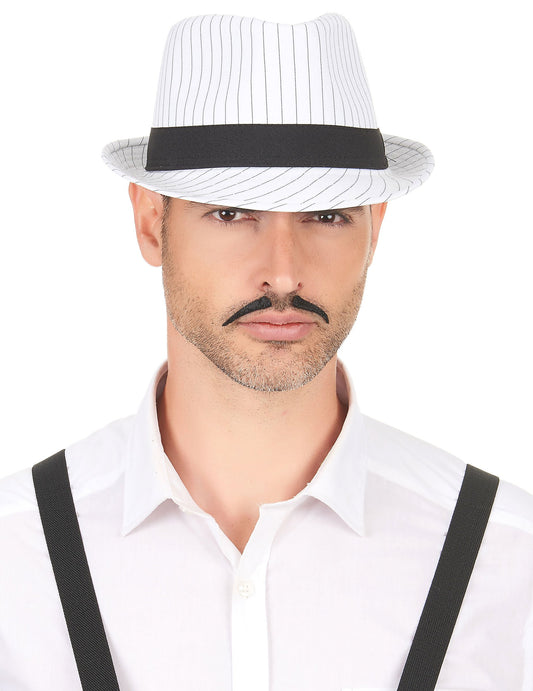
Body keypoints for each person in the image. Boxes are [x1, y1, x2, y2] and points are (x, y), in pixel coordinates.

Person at [1, 12, 532, 691]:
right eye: (230, 213)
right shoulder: (16, 559)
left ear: (375, 230)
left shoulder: (506, 560)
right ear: (151, 223)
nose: (282, 274)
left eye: (326, 216)